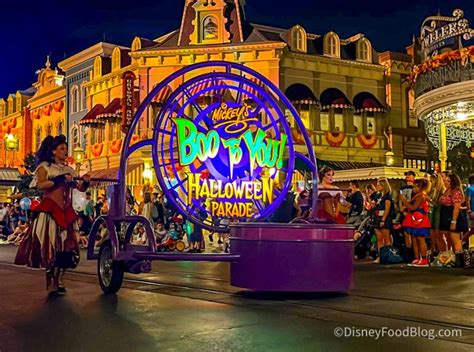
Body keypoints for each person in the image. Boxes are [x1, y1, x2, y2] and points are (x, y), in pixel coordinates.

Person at [14, 135, 90, 295]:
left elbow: (79, 187)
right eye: (62, 148)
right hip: (50, 211)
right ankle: (52, 281)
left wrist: (85, 182)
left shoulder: (69, 169)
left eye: (65, 148)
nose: (65, 151)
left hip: (66, 211)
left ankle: (60, 279)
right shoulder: (45, 167)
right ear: (54, 151)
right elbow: (41, 184)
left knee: (67, 248)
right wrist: (58, 181)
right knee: (52, 247)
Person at [439, 173, 469, 265]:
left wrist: (453, 221)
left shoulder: (456, 192)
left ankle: (460, 260)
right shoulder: (447, 190)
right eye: (445, 180)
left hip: (452, 215)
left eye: (448, 181)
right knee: (448, 238)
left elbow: (456, 207)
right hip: (445, 214)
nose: (446, 182)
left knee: (454, 238)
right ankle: (453, 259)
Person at [400, 178, 432, 267]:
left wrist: (404, 201)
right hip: (414, 218)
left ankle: (424, 259)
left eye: (414, 186)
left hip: (419, 219)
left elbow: (413, 207)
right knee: (414, 238)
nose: (413, 189)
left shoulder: (421, 196)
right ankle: (417, 258)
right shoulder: (418, 195)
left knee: (420, 239)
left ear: (420, 186)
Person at [373, 178, 394, 263]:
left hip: (384, 217)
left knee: (386, 238)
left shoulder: (387, 196)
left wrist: (383, 219)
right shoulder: (378, 195)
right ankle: (380, 256)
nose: (377, 186)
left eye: (378, 185)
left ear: (383, 186)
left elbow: (387, 208)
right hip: (377, 216)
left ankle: (388, 256)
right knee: (379, 238)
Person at [428, 173, 446, 256]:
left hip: (438, 212)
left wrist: (429, 199)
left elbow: (438, 203)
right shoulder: (431, 190)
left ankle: (440, 251)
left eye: (431, 181)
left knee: (438, 233)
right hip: (431, 212)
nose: (430, 182)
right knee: (432, 232)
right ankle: (433, 249)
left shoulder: (441, 191)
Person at [399, 170, 416, 256]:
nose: (407, 177)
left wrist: (405, 206)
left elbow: (413, 201)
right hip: (404, 212)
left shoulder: (415, 188)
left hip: (412, 211)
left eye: (409, 176)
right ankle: (408, 250)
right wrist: (401, 209)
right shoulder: (402, 189)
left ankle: (413, 251)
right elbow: (400, 198)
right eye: (406, 176)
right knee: (406, 233)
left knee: (412, 233)